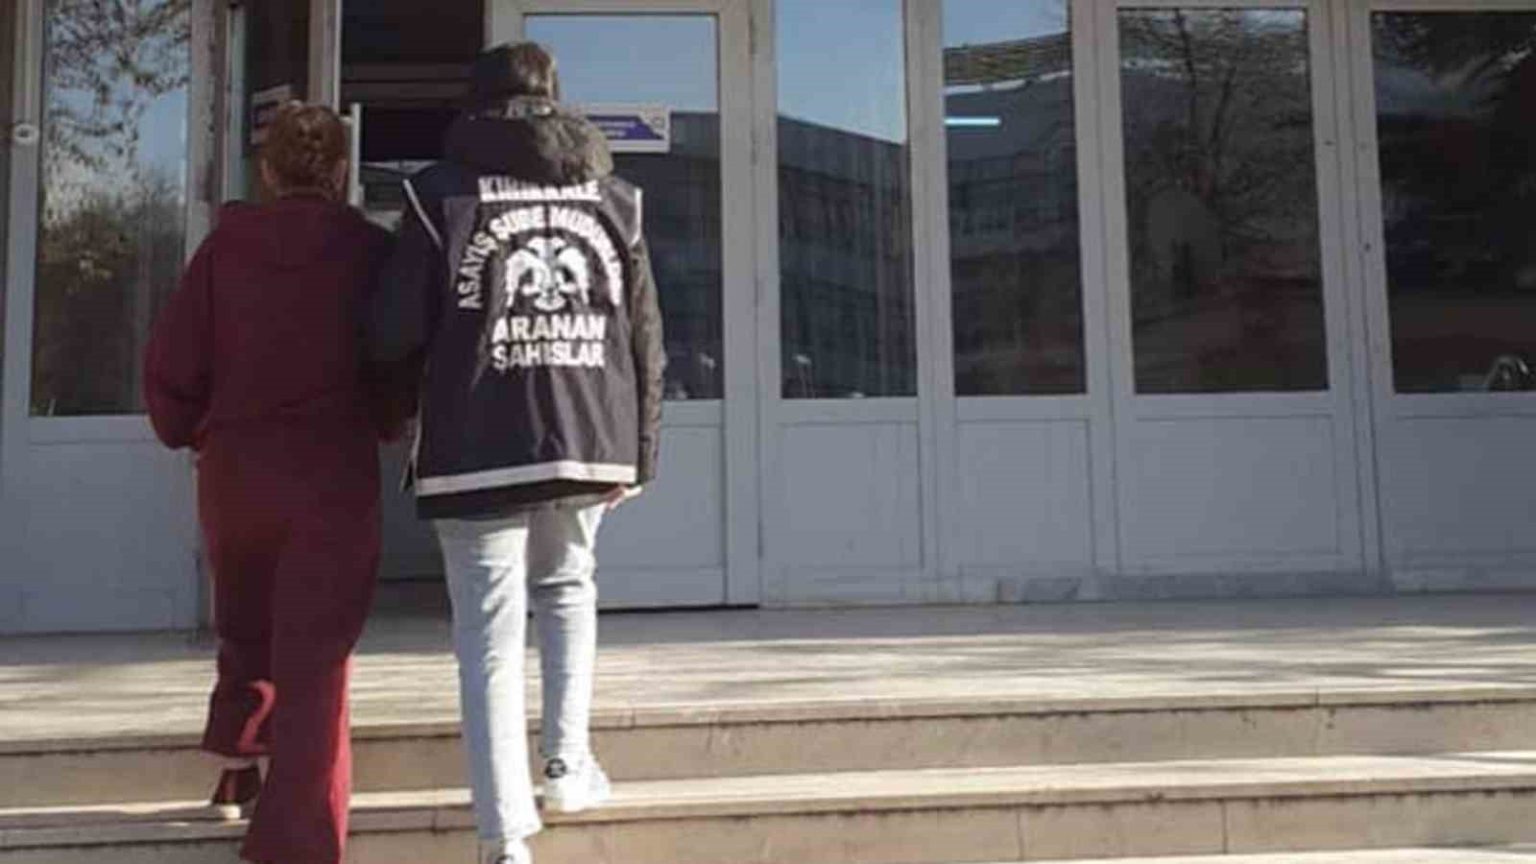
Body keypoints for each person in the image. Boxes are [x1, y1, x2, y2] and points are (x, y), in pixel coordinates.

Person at [366, 42, 665, 864]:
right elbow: (644, 331)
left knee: (489, 636)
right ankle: (567, 767)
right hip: (587, 434)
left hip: (474, 441)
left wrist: (395, 409)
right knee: (567, 590)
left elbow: (392, 332)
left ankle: (503, 838)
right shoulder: (615, 197)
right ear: (556, 99)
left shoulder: (439, 195)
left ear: (476, 104)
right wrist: (640, 449)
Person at [145, 103, 407, 864]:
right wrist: (388, 418)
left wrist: (188, 428)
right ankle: (296, 842)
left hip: (237, 471)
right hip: (329, 474)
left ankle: (237, 768)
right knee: (316, 659)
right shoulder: (370, 252)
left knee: (247, 623)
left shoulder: (225, 248)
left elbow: (174, 362)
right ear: (342, 170)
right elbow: (393, 355)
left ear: (267, 171)